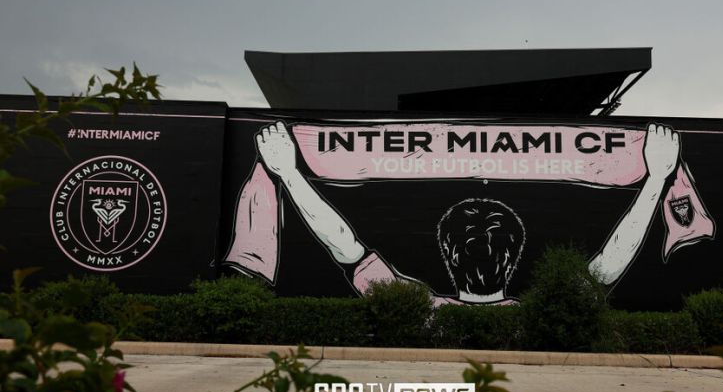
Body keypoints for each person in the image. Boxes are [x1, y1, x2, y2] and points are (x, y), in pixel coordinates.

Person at [253, 121, 680, 304]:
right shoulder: (536, 316)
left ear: (448, 253)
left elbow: (344, 246)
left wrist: (288, 173)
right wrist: (657, 178)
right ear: (514, 256)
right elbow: (607, 267)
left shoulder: (422, 311)